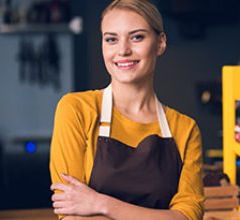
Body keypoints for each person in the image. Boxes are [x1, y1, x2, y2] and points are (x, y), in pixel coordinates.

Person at [49, 0, 204, 219]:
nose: (123, 50)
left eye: (137, 37)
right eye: (111, 39)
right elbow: (71, 214)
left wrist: (100, 204)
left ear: (160, 43)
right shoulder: (76, 110)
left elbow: (188, 216)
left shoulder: (185, 130)